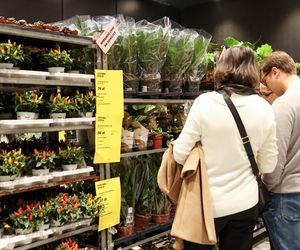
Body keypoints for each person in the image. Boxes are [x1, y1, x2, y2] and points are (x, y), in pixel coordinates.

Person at [173, 46, 278, 250]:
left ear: (221, 68)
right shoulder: (264, 107)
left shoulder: (205, 103)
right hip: (245, 204)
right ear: (252, 70)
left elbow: (179, 154)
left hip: (205, 207)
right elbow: (269, 164)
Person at [260, 51, 300, 250]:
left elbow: (275, 159)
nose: (267, 88)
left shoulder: (284, 105)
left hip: (286, 196)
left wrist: (267, 187)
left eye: (266, 81)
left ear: (275, 72)